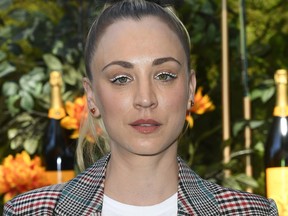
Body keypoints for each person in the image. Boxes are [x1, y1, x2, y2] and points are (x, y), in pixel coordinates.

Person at [4, 0, 278, 215]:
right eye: (121, 79)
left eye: (165, 75)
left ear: (190, 89)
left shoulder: (251, 212)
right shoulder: (31, 211)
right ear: (91, 97)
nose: (145, 98)